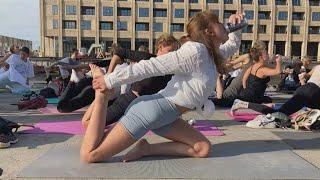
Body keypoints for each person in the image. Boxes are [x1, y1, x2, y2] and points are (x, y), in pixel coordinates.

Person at [80, 11, 244, 163]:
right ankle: (101, 96)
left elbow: (232, 46)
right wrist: (109, 81)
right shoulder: (195, 52)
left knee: (203, 149)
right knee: (90, 156)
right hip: (150, 112)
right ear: (209, 31)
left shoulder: (210, 53)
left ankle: (146, 149)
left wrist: (236, 28)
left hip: (168, 116)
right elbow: (152, 66)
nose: (224, 25)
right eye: (219, 23)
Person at [57, 34, 180, 114]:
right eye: (170, 51)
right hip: (110, 92)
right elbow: (115, 55)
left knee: (87, 118)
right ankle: (75, 81)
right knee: (65, 108)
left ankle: (77, 81)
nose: (172, 54)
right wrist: (107, 78)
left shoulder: (169, 69)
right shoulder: (146, 59)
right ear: (160, 47)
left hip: (111, 94)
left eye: (175, 51)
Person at [231, 65, 320, 118]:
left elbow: (303, 75)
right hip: (311, 93)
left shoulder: (317, 67)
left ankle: (312, 116)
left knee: (280, 113)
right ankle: (242, 104)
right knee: (278, 114)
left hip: (305, 90)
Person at [213, 41, 281, 107]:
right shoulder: (248, 57)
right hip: (239, 84)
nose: (266, 51)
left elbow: (242, 75)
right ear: (260, 51)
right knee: (225, 99)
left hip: (245, 89)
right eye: (264, 49)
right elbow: (232, 64)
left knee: (231, 100)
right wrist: (221, 67)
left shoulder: (258, 63)